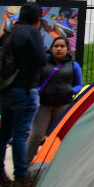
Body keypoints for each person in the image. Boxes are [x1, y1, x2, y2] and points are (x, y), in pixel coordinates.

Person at [0, 0, 44, 187]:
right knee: (21, 134)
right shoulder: (31, 32)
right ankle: (21, 177)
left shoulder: (9, 33)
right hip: (25, 88)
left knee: (3, 134)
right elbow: (40, 59)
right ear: (37, 19)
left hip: (6, 89)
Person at [26, 37, 83, 166]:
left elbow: (79, 84)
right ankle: (24, 166)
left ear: (68, 49)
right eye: (56, 46)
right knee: (37, 135)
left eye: (62, 46)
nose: (59, 49)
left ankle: (57, 165)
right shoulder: (43, 64)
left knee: (58, 137)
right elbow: (34, 81)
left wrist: (71, 90)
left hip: (63, 105)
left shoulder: (74, 65)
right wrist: (39, 90)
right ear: (51, 48)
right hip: (44, 105)